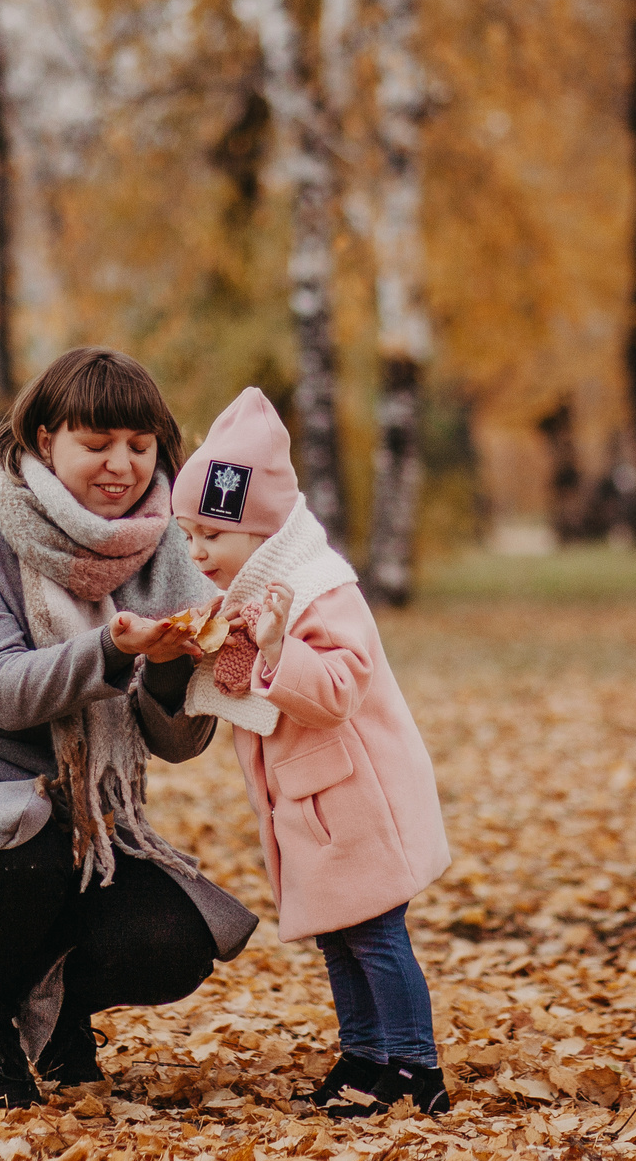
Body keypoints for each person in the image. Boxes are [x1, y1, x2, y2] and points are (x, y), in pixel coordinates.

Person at [0, 349, 257, 1107]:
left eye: (140, 447)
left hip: (79, 818)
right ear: (45, 440)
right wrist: (112, 647)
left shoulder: (167, 545)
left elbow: (175, 742)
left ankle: (53, 1008)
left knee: (176, 939)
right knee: (28, 848)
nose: (122, 466)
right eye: (97, 443)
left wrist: (177, 661)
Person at [174, 389, 453, 1117]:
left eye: (211, 534)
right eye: (187, 534)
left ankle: (415, 1066)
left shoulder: (321, 591)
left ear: (259, 531)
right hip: (310, 798)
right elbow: (239, 674)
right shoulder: (250, 593)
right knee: (339, 936)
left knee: (377, 935)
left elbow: (335, 691)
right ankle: (364, 1055)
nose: (197, 551)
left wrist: (275, 648)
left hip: (356, 796)